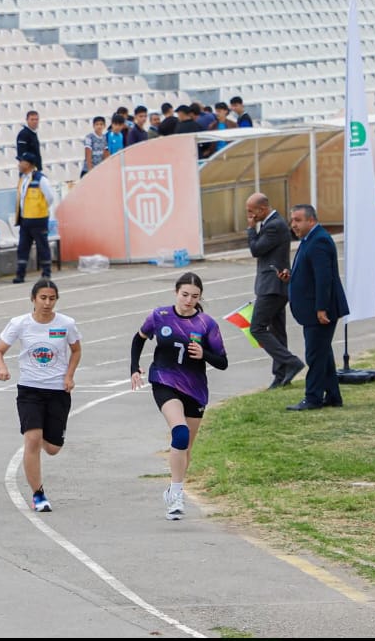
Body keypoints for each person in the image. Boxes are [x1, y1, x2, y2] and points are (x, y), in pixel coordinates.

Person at [130, 272, 228, 520]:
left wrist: (204, 353)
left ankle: (175, 486)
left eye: (195, 296)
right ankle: (175, 496)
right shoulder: (159, 316)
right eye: (185, 295)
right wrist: (134, 367)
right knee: (180, 432)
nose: (189, 300)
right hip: (164, 380)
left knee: (186, 449)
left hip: (195, 389)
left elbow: (223, 362)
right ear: (176, 292)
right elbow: (138, 338)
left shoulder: (207, 324)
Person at [0, 278, 82, 512]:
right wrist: (2, 368)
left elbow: (76, 350)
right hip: (29, 389)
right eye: (43, 298)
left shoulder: (66, 324)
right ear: (33, 299)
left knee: (52, 448)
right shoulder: (20, 323)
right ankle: (38, 494)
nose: (47, 303)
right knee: (32, 440)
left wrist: (69, 376)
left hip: (58, 391)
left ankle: (42, 432)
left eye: (52, 298)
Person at [280, 204, 349, 411]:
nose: (294, 225)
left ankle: (313, 397)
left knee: (314, 355)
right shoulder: (308, 240)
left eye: (298, 220)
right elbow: (310, 273)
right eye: (292, 220)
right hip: (312, 309)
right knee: (323, 354)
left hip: (320, 310)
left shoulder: (318, 240)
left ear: (311, 220)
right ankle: (334, 396)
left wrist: (321, 308)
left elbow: (324, 278)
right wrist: (290, 277)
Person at [245, 193, 304, 390]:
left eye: (251, 212)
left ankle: (291, 362)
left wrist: (251, 230)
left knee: (257, 328)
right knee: (277, 331)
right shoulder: (272, 223)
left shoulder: (274, 226)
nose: (250, 216)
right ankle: (280, 375)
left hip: (272, 286)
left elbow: (256, 250)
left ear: (262, 210)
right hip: (276, 285)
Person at [11, 152, 55, 284]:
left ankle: (46, 273)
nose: (19, 164)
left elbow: (50, 197)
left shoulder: (40, 179)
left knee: (42, 246)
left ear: (28, 164)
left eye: (21, 161)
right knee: (23, 247)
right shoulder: (23, 178)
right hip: (25, 219)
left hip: (38, 218)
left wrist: (41, 208)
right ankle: (20, 274)